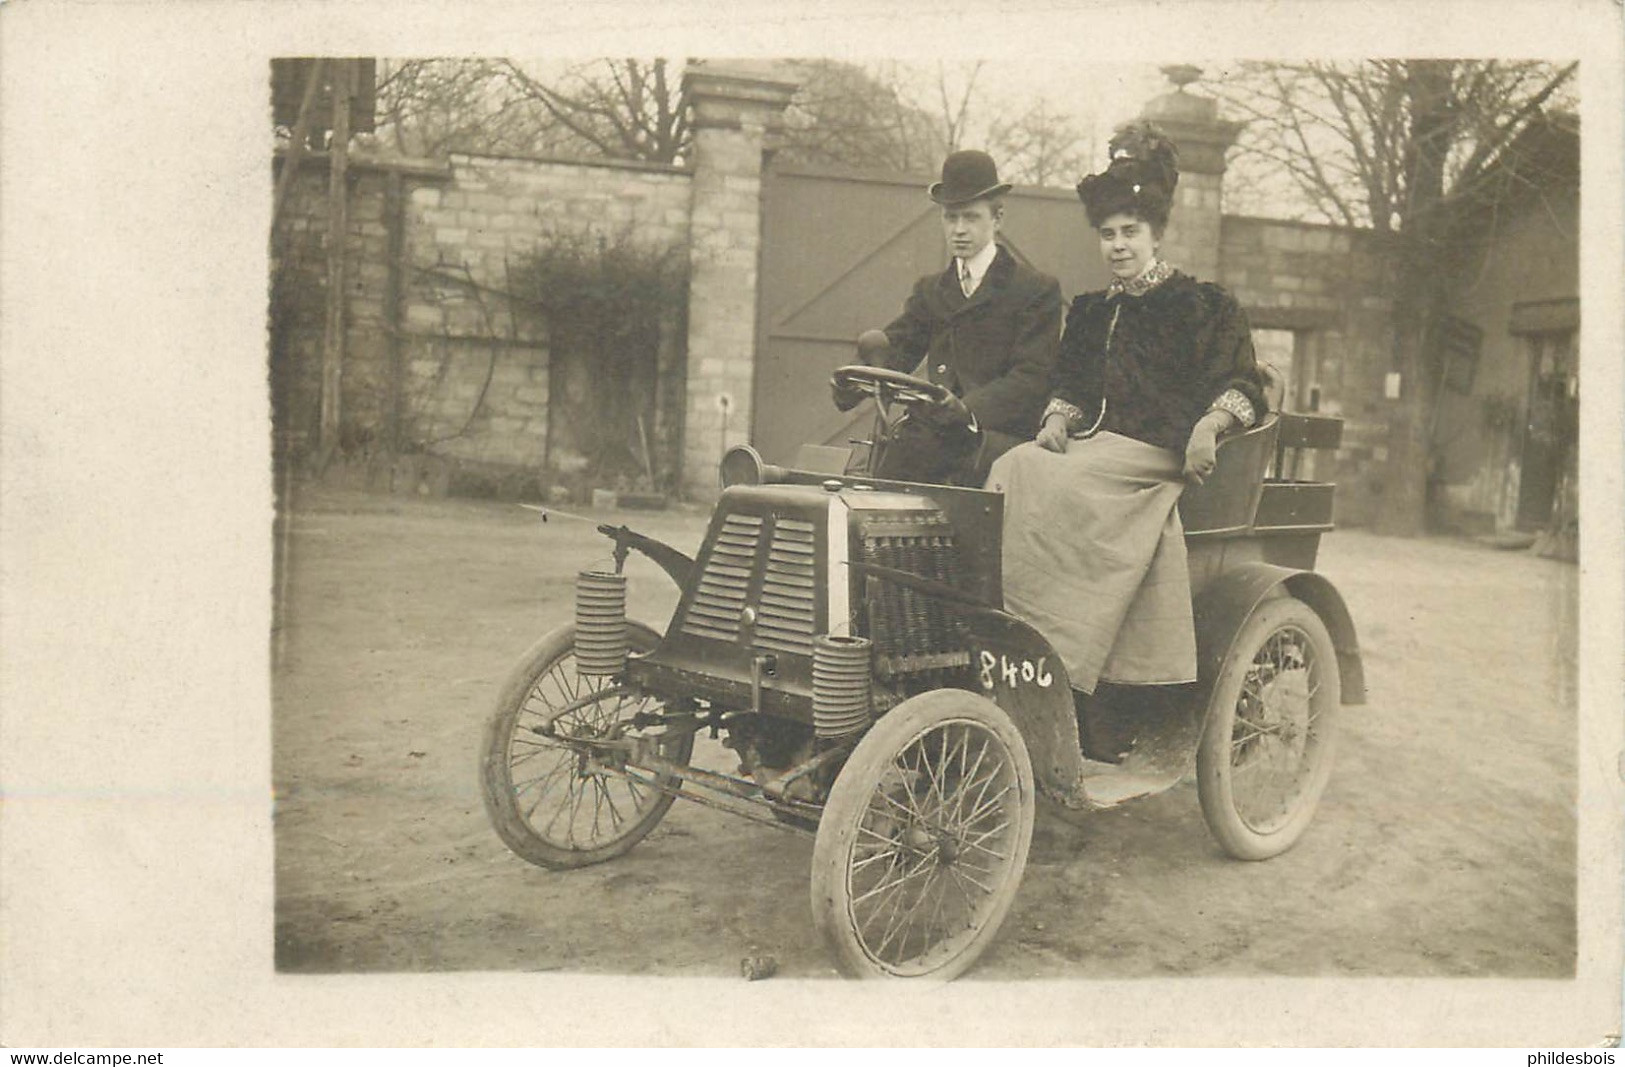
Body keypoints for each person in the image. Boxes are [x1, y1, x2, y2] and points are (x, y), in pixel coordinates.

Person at [986, 122, 1266, 756]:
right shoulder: (1090, 311)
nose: (1117, 246)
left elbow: (1243, 382)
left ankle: (1088, 683)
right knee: (1016, 466)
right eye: (1108, 235)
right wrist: (1057, 418)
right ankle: (1026, 654)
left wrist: (1209, 424)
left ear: (1155, 235)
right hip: (1091, 446)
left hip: (1153, 456)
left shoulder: (1200, 304)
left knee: (1070, 486)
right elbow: (1071, 384)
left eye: (1130, 234)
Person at [832, 150, 1062, 485]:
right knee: (872, 492)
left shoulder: (1033, 290)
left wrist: (966, 409)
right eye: (950, 218)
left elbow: (1031, 378)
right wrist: (852, 381)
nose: (959, 230)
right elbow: (896, 346)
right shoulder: (933, 290)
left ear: (997, 219)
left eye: (970, 218)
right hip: (932, 435)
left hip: (994, 439)